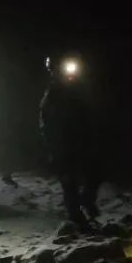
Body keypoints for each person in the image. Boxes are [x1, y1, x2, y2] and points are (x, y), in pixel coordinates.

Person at [40, 52, 105, 230]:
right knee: (69, 183)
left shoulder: (78, 91)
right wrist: (54, 149)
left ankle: (87, 201)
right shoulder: (52, 96)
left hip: (81, 142)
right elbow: (47, 125)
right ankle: (76, 218)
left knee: (94, 174)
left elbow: (89, 115)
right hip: (63, 146)